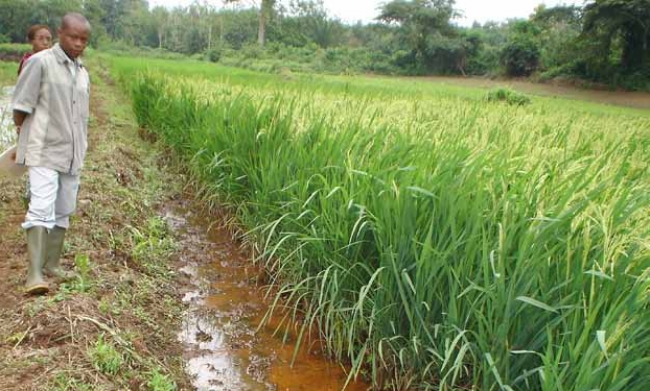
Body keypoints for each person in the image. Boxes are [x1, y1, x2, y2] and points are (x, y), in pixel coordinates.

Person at [12, 13, 91, 295]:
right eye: (73, 37)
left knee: (64, 209)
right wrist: (22, 133)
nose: (78, 43)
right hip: (45, 149)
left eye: (84, 39)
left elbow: (81, 117)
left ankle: (53, 265)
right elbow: (21, 106)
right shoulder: (40, 63)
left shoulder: (82, 73)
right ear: (60, 33)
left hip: (72, 153)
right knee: (41, 206)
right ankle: (34, 274)